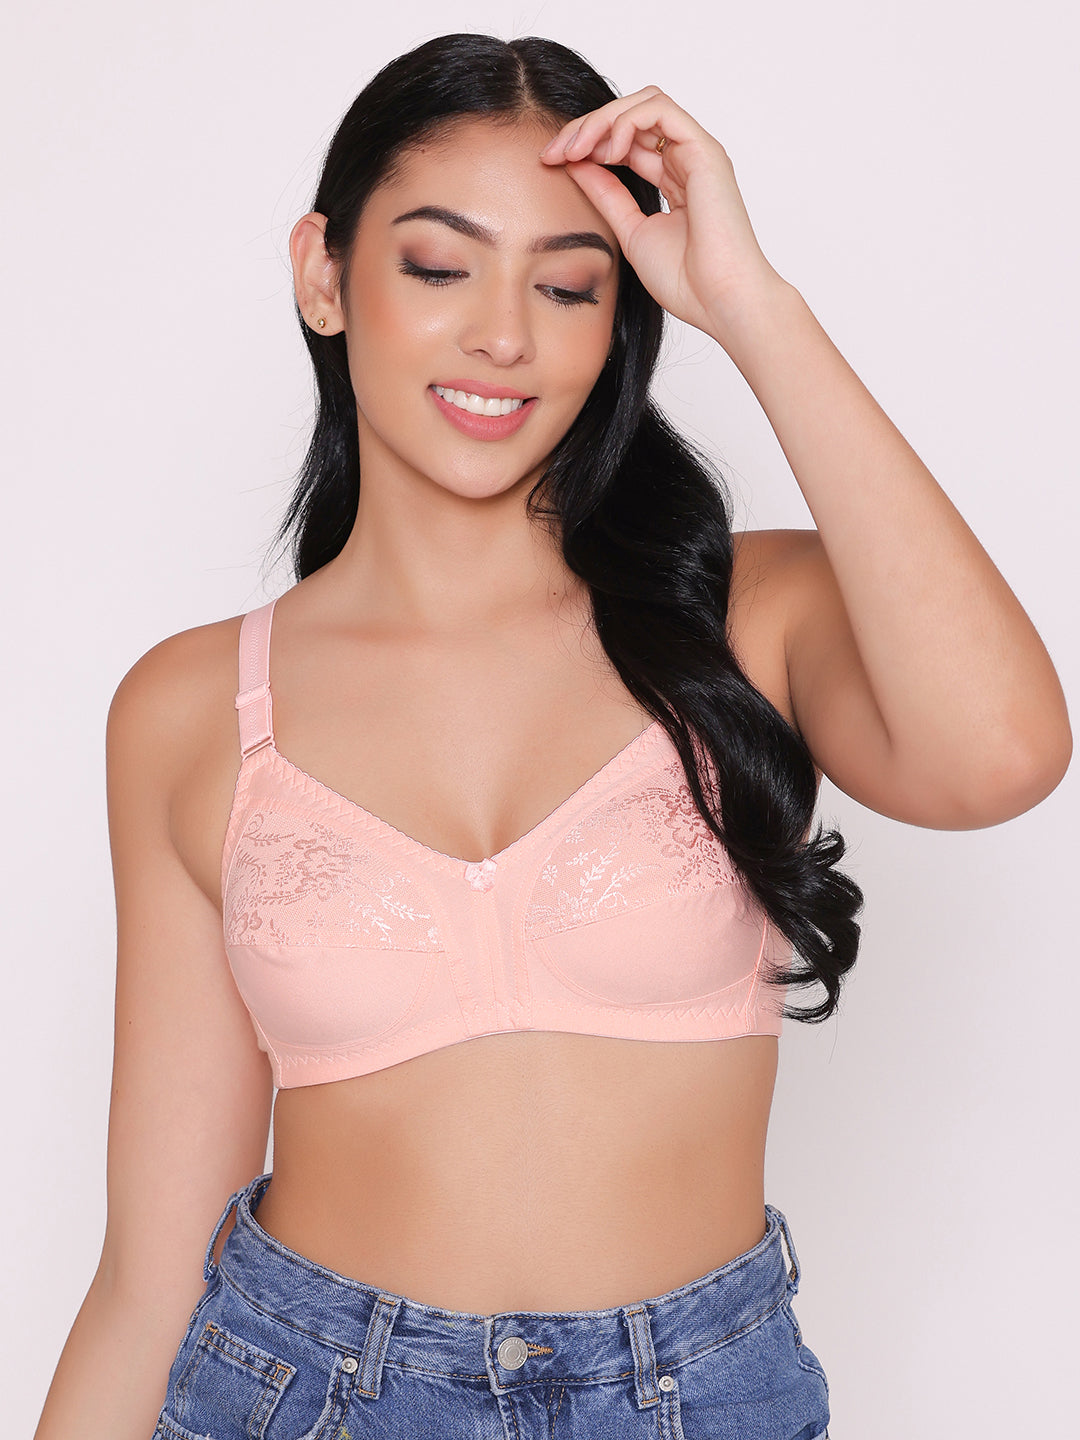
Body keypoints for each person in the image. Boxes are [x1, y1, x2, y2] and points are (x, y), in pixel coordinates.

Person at [34, 30, 1070, 1440]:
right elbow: (154, 1274)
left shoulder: (747, 619)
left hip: (699, 1399)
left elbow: (1002, 754)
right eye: (438, 266)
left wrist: (753, 307)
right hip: (303, 1393)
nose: (504, 337)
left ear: (621, 315)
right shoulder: (194, 707)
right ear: (324, 275)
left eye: (569, 285)